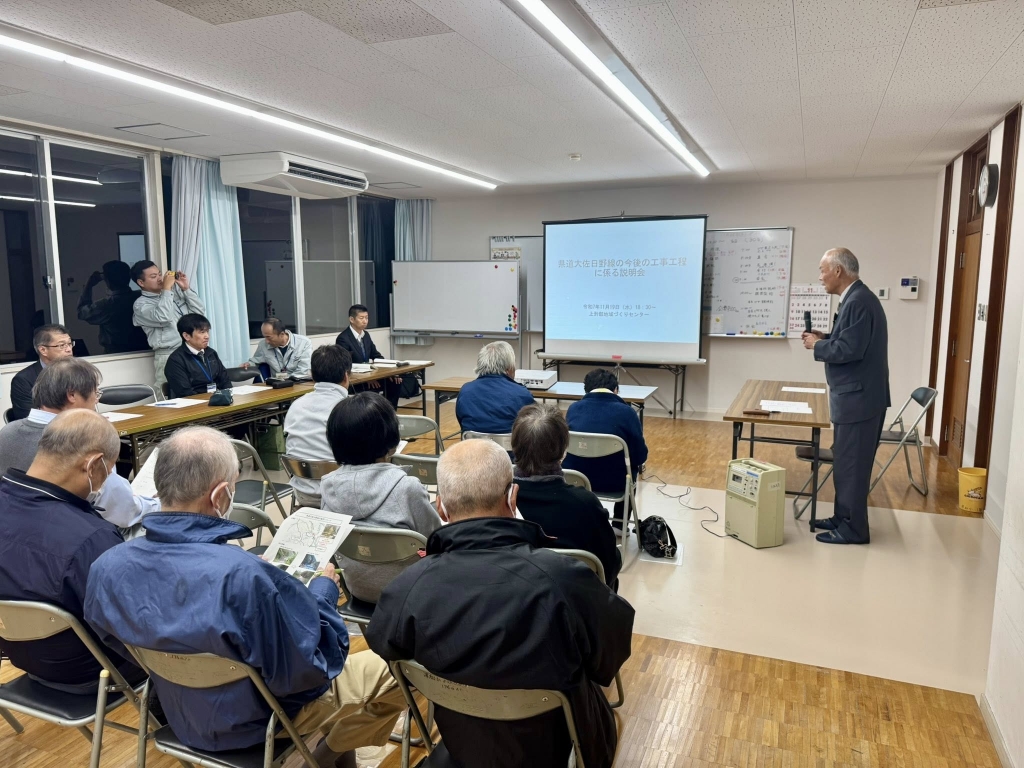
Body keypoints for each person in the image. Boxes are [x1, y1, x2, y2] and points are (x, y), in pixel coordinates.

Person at [84, 426, 406, 767]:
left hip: (180, 710)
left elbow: (121, 645)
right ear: (221, 495)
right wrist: (323, 594)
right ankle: (328, 754)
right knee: (401, 670)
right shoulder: (244, 577)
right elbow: (310, 672)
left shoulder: (106, 567)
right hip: (262, 719)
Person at [365, 439, 634, 768]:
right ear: (512, 497)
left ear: (441, 508)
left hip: (464, 748)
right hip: (558, 748)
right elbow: (610, 656)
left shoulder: (408, 587)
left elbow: (390, 652)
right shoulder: (563, 580)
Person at [0, 410, 143, 692]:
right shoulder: (91, 538)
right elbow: (130, 631)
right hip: (93, 673)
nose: (104, 483)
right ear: (93, 466)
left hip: (19, 655)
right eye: (108, 472)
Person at [0, 358, 159, 530]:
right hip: (76, 532)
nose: (96, 400)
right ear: (72, 395)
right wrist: (161, 504)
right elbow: (123, 512)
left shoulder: (7, 431)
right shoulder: (85, 440)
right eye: (96, 393)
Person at [802, 248, 890, 545]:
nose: (820, 276)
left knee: (853, 467)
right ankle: (843, 518)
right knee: (845, 463)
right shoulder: (856, 298)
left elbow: (850, 350)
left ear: (838, 271)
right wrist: (825, 338)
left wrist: (817, 346)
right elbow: (848, 340)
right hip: (855, 397)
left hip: (859, 400)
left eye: (822, 270)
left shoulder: (859, 301)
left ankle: (854, 529)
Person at [320, 392, 442, 603]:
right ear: (391, 437)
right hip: (411, 594)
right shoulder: (407, 488)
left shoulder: (327, 486)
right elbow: (435, 541)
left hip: (358, 591)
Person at [511, 404, 621, 589]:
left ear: (514, 447)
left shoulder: (498, 500)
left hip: (514, 597)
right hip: (573, 600)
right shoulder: (584, 505)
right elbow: (609, 566)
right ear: (563, 452)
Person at [563, 368, 648, 528]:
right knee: (631, 469)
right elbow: (639, 456)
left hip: (576, 480)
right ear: (616, 390)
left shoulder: (573, 409)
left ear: (586, 390)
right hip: (615, 482)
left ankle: (580, 519)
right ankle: (619, 525)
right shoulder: (628, 413)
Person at [284, 345, 352, 506]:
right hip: (342, 496)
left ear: (312, 376)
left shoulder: (296, 405)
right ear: (346, 376)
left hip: (303, 494)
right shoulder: (350, 409)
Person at [131, 260, 205, 392]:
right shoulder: (140, 304)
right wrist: (166, 289)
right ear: (141, 282)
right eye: (153, 276)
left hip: (192, 350)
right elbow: (163, 317)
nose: (160, 279)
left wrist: (186, 289)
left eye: (160, 274)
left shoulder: (173, 295)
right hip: (169, 354)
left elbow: (199, 314)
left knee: (198, 392)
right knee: (171, 395)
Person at [455, 341, 534, 435]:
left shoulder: (465, 391)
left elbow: (462, 422)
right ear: (509, 367)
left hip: (473, 444)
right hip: (509, 444)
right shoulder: (522, 394)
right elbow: (531, 429)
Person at [335, 304, 402, 407]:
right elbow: (346, 365)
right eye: (361, 318)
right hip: (355, 379)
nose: (365, 321)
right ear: (352, 319)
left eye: (366, 318)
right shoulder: (343, 338)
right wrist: (368, 377)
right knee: (372, 387)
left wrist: (390, 372)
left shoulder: (366, 335)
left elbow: (376, 355)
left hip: (369, 376)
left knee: (394, 381)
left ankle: (389, 412)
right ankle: (372, 412)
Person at [77, 260, 148, 354]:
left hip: (116, 354)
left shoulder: (106, 306)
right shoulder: (142, 297)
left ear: (107, 281)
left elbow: (82, 312)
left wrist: (88, 285)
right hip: (145, 350)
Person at [8, 324, 75, 421]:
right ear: (43, 350)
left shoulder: (78, 372)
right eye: (61, 345)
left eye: (69, 344)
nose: (69, 349)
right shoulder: (24, 380)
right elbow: (29, 419)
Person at [164, 313, 232, 399]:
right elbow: (185, 393)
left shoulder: (211, 353)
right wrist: (210, 399)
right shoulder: (176, 360)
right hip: (194, 403)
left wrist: (228, 395)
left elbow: (225, 381)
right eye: (202, 332)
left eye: (207, 331)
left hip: (217, 400)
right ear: (186, 336)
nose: (207, 336)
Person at [244, 317, 313, 379]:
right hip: (277, 384)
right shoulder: (263, 345)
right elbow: (255, 361)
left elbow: (303, 370)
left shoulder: (304, 343)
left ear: (282, 334)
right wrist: (249, 364)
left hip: (298, 382)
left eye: (269, 337)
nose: (267, 341)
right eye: (264, 337)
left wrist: (288, 381)